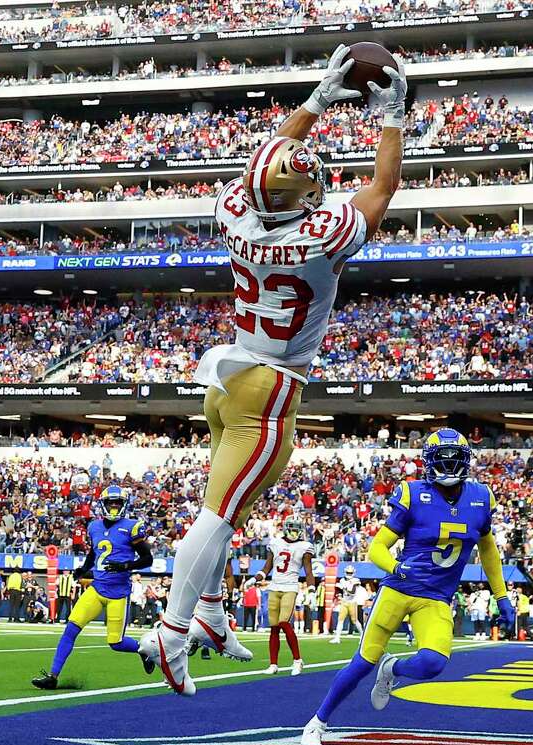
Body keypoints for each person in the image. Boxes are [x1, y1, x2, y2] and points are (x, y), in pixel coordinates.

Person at [154, 44, 408, 695]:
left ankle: (209, 612)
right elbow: (382, 187)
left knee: (227, 510)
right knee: (215, 516)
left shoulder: (234, 213)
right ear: (304, 196)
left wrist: (316, 102)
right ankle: (172, 628)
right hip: (268, 390)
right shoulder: (322, 234)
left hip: (228, 377)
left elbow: (258, 171)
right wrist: (393, 116)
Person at [301, 429, 515, 745]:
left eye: (455, 458)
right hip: (399, 590)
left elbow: (489, 551)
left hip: (436, 598)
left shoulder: (480, 497)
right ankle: (317, 723)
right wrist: (396, 567)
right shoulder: (413, 493)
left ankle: (393, 668)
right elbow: (377, 548)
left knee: (433, 663)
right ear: (429, 462)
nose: (449, 464)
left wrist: (502, 596)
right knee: (362, 663)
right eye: (443, 459)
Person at [33, 486, 155, 689]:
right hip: (97, 588)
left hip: (118, 593)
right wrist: (83, 569)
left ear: (124, 505)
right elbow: (94, 554)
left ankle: (145, 650)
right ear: (103, 505)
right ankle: (53, 676)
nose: (114, 506)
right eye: (110, 503)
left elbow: (147, 558)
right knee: (70, 629)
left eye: (117, 503)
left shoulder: (132, 527)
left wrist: (126, 566)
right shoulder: (94, 527)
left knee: (116, 643)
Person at [253, 519, 315, 675]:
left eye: (296, 529)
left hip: (290, 587)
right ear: (286, 529)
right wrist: (255, 579)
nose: (294, 532)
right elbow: (267, 567)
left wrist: (312, 590)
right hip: (274, 586)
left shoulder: (305, 546)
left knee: (284, 623)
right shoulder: (275, 543)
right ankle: (273, 664)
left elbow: (308, 571)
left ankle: (297, 660)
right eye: (292, 529)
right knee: (274, 627)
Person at [331, 565, 363, 644]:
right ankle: (337, 638)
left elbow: (352, 592)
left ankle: (362, 636)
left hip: (352, 602)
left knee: (355, 621)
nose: (349, 574)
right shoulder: (342, 580)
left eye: (350, 572)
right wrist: (339, 595)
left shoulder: (356, 580)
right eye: (348, 572)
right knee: (340, 620)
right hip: (344, 601)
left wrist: (343, 588)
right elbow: (339, 591)